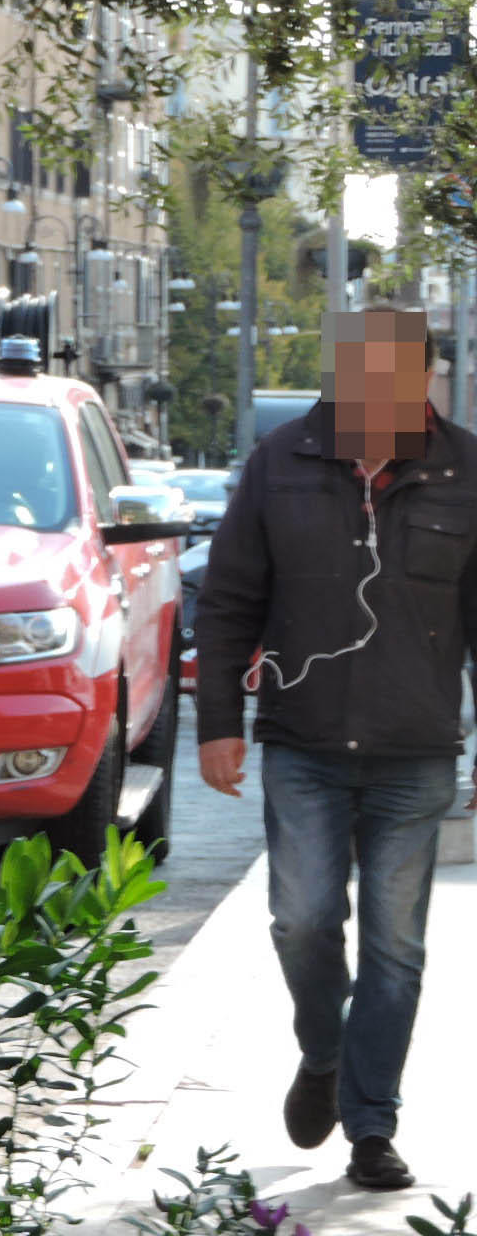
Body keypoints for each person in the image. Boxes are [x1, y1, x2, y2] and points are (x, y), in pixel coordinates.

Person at [195, 307, 477, 1191]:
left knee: (397, 949)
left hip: (415, 748)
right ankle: (323, 1052)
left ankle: (370, 1124)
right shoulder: (280, 461)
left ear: (426, 379)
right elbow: (229, 600)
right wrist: (215, 727)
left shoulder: (468, 471)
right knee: (304, 920)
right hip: (304, 741)